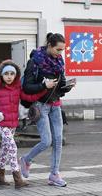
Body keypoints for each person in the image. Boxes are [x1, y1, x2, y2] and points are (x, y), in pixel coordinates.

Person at [19, 33, 75, 187]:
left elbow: (60, 86)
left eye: (62, 50)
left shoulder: (59, 62)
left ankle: (54, 174)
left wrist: (67, 87)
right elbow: (26, 87)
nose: (60, 53)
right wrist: (44, 85)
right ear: (49, 46)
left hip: (55, 105)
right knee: (46, 141)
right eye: (58, 49)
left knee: (58, 141)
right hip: (40, 106)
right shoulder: (34, 62)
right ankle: (26, 160)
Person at [0, 60, 48, 188]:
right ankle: (17, 178)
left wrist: (44, 89)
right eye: (6, 73)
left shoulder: (17, 88)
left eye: (12, 74)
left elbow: (28, 98)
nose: (9, 76)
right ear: (1, 75)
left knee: (5, 150)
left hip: (13, 124)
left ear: (16, 75)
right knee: (12, 148)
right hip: (2, 124)